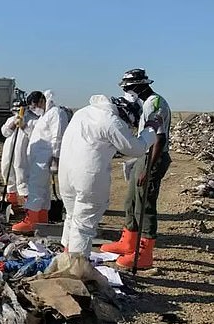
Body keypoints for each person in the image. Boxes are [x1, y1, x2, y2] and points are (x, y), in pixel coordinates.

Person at [58, 94, 160, 256]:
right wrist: (150, 129)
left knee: (72, 216)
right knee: (84, 225)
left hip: (66, 175)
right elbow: (136, 149)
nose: (128, 126)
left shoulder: (83, 112)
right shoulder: (112, 121)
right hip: (88, 177)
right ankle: (75, 269)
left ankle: (66, 256)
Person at [100, 69, 172, 270]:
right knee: (131, 200)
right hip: (144, 156)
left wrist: (148, 169)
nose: (128, 91)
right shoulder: (145, 104)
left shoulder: (155, 103)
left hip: (153, 157)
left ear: (141, 85)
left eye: (130, 87)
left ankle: (144, 252)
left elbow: (160, 138)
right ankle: (128, 241)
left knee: (144, 204)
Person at [12, 90, 68, 233]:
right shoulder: (44, 116)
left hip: (45, 158)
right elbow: (37, 135)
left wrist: (56, 158)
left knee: (35, 188)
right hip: (38, 158)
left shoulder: (56, 113)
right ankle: (41, 219)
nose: (33, 109)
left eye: (34, 106)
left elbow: (58, 136)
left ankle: (31, 220)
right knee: (43, 191)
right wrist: (24, 126)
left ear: (42, 101)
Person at [0, 101, 39, 206]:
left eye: (20, 110)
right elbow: (4, 132)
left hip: (22, 150)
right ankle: (11, 199)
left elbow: (33, 135)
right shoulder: (10, 120)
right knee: (7, 169)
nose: (18, 112)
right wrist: (13, 124)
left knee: (21, 170)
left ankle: (26, 200)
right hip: (9, 149)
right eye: (16, 110)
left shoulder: (33, 121)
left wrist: (23, 126)